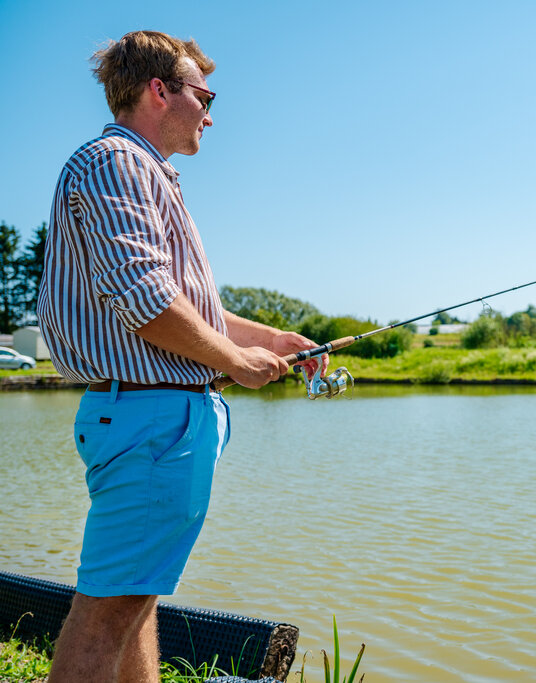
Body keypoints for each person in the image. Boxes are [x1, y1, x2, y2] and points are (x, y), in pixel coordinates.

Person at [37, 30, 321, 683]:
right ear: (159, 90)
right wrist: (239, 363)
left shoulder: (146, 171)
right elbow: (147, 300)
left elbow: (184, 305)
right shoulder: (118, 163)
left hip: (152, 418)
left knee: (134, 603)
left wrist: (270, 342)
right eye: (205, 94)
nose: (212, 113)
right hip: (149, 420)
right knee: (107, 613)